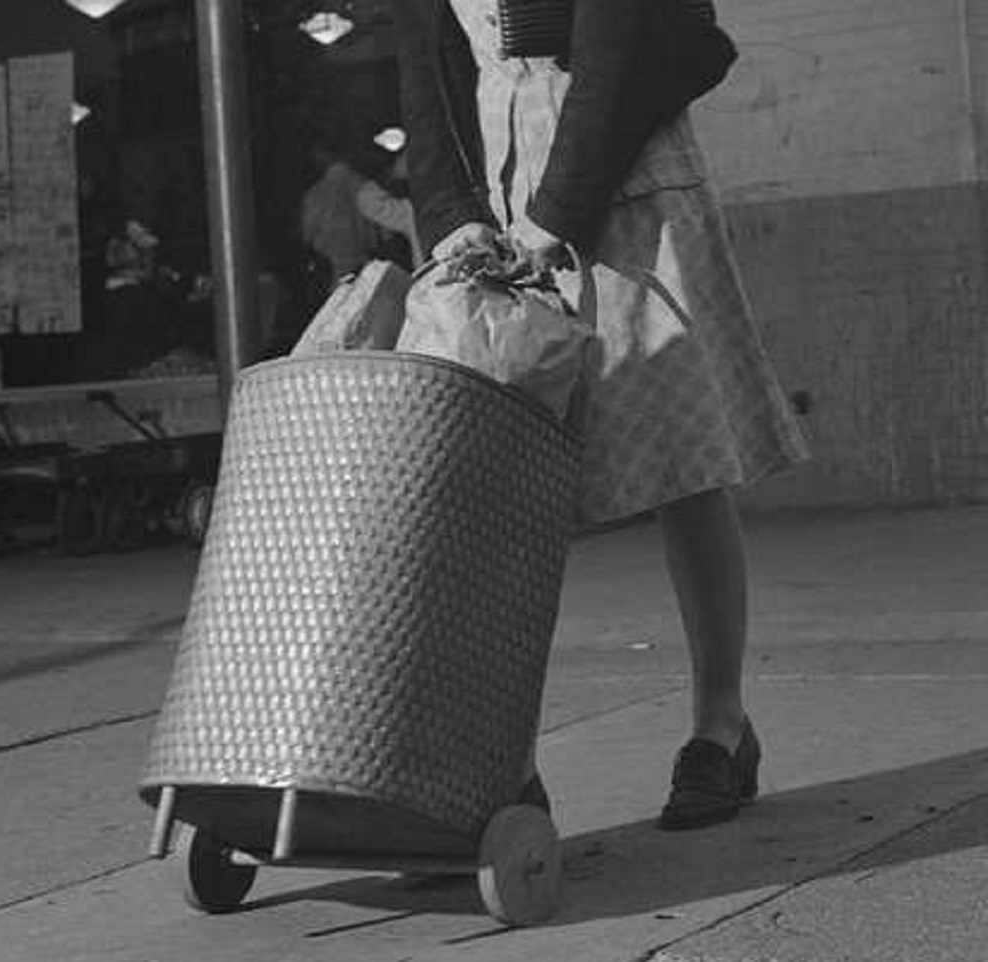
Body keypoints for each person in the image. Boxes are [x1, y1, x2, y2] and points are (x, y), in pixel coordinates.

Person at [392, 0, 809, 830]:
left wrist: (555, 216)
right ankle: (503, 763)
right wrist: (452, 213)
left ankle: (720, 728)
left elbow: (619, 39)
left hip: (628, 179)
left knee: (684, 469)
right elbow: (425, 61)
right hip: (501, 198)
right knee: (495, 491)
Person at [299, 144, 422, 289]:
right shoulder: (354, 184)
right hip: (368, 273)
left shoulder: (313, 198)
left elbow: (309, 238)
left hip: (350, 280)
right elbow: (405, 217)